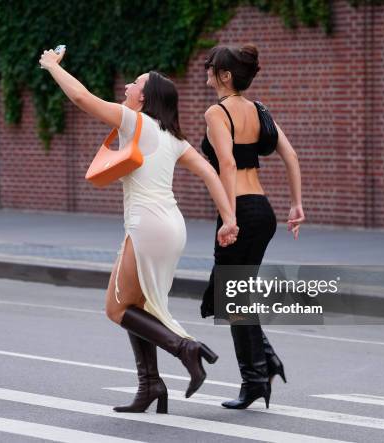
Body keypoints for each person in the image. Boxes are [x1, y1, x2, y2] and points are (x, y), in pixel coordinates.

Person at [39, 46, 239, 414]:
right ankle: (151, 386)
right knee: (138, 305)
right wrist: (229, 218)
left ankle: (185, 348)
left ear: (144, 97)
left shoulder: (137, 122)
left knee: (116, 308)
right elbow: (211, 173)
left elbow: (82, 97)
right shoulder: (172, 137)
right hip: (170, 227)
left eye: (136, 83)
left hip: (147, 226)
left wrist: (51, 65)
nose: (128, 85)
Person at [199, 43, 305, 409]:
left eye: (210, 67)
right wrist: (296, 204)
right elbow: (290, 155)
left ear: (225, 75)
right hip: (263, 211)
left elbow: (226, 165)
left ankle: (256, 379)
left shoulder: (217, 112)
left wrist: (228, 218)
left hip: (240, 212)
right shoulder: (259, 111)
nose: (206, 73)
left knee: (232, 301)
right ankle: (265, 365)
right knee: (235, 297)